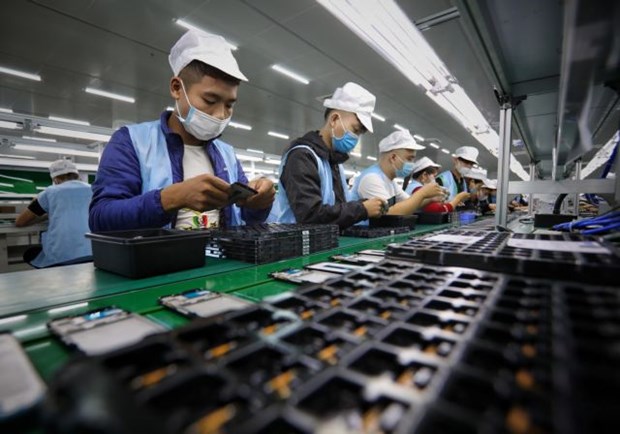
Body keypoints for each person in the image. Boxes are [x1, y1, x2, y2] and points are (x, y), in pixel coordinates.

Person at [89, 29, 275, 231]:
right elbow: (101, 218)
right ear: (177, 88)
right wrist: (171, 198)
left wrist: (260, 203)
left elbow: (247, 218)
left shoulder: (227, 154)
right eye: (209, 100)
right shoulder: (132, 142)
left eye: (229, 104)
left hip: (219, 261)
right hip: (159, 261)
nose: (221, 114)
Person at [268, 82, 385, 228]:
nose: (356, 138)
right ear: (334, 119)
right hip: (298, 245)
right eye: (355, 130)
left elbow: (337, 211)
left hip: (324, 243)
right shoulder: (302, 156)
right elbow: (309, 215)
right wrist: (362, 209)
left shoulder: (334, 162)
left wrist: (362, 205)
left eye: (359, 134)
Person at [16, 159, 92, 268]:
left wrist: (45, 214)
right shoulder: (93, 189)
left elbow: (20, 222)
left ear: (55, 179)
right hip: (93, 252)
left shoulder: (49, 192)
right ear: (77, 175)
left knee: (30, 253)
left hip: (62, 257)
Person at [350, 130, 444, 215]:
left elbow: (409, 203)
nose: (412, 164)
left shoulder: (390, 182)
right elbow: (389, 213)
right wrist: (423, 193)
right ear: (393, 157)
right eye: (409, 159)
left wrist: (430, 199)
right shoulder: (372, 178)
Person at [405, 156, 470, 213]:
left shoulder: (414, 186)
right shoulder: (418, 189)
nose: (435, 179)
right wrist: (457, 198)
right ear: (424, 175)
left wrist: (449, 201)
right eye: (433, 176)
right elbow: (438, 210)